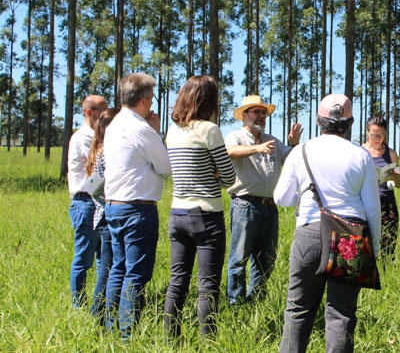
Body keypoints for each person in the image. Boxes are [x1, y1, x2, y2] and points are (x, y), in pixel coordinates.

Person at [274, 93, 381, 353]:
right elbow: (372, 210)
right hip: (351, 238)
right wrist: (373, 250)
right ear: (350, 123)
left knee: (298, 309)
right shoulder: (361, 156)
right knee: (341, 313)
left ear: (319, 121)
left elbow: (281, 198)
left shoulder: (301, 151)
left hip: (309, 233)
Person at [163, 75, 236, 337]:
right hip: (206, 215)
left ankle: (171, 339)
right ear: (209, 101)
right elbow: (229, 178)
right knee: (207, 286)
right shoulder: (210, 130)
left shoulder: (172, 131)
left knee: (177, 282)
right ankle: (208, 340)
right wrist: (215, 173)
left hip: (177, 213)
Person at [103, 72, 171, 338]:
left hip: (114, 205)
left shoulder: (114, 125)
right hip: (137, 209)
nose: (152, 105)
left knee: (118, 269)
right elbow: (165, 166)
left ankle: (111, 327)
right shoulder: (141, 128)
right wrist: (156, 132)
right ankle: (128, 333)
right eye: (151, 99)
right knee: (136, 274)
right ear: (143, 101)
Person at [225, 95, 303, 304]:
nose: (261, 116)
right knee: (239, 258)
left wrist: (294, 144)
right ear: (244, 115)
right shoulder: (236, 137)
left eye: (263, 112)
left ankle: (256, 301)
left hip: (270, 208)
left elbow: (291, 160)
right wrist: (257, 148)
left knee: (265, 260)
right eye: (256, 112)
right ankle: (236, 303)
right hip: (245, 205)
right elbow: (229, 152)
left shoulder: (273, 141)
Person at [67, 94, 108, 307]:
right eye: (102, 112)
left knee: (103, 258)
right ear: (89, 112)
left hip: (98, 203)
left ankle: (100, 303)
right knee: (83, 259)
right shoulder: (85, 137)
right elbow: (97, 167)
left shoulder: (92, 135)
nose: (105, 117)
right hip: (85, 202)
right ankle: (78, 305)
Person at [84, 107, 120, 321]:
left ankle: (103, 315)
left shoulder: (99, 149)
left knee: (107, 270)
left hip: (103, 216)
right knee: (107, 271)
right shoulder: (106, 151)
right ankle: (98, 316)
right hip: (106, 217)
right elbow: (92, 187)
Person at [362, 115, 400, 259]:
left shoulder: (390, 153)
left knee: (388, 248)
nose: (378, 139)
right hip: (366, 204)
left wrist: (396, 178)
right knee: (366, 247)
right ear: (367, 132)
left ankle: (386, 277)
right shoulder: (360, 152)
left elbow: (399, 184)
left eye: (382, 135)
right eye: (374, 135)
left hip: (387, 203)